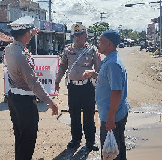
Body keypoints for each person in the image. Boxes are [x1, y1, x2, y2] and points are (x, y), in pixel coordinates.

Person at [5, 16, 58, 160]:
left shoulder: (9, 49)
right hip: (25, 100)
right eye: (29, 32)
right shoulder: (22, 56)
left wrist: (31, 32)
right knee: (28, 137)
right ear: (26, 34)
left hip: (13, 98)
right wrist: (50, 102)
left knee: (19, 134)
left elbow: (21, 39)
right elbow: (33, 83)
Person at [83, 30, 130, 160]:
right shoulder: (110, 60)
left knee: (111, 152)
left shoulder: (112, 64)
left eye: (100, 41)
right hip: (113, 112)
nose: (98, 44)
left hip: (113, 115)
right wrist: (94, 74)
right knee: (117, 148)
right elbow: (109, 82)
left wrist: (110, 117)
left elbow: (116, 91)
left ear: (108, 44)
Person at [55, 23, 101, 152]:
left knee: (88, 115)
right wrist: (57, 81)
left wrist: (100, 83)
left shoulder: (92, 50)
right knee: (74, 115)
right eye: (75, 36)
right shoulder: (68, 50)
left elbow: (99, 69)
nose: (77, 38)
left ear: (85, 36)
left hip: (87, 88)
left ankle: (90, 141)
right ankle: (76, 139)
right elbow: (62, 66)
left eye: (79, 35)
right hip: (73, 88)